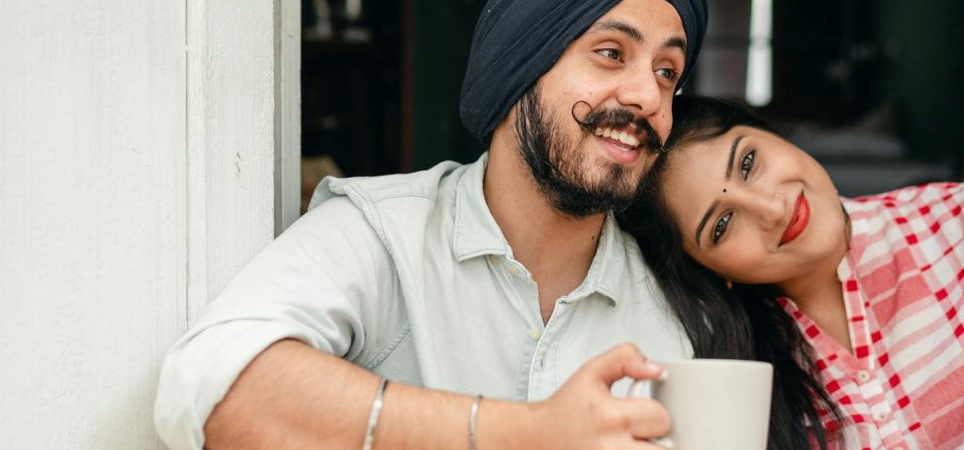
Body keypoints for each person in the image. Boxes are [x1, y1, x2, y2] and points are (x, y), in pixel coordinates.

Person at [153, 1, 707, 449]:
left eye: (667, 73)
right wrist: (527, 433)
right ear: (519, 68)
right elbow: (208, 386)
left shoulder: (672, 313)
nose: (648, 97)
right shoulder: (379, 232)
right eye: (611, 53)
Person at [616, 96, 964, 450]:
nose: (771, 209)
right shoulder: (725, 363)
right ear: (715, 272)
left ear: (774, 134)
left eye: (748, 162)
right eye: (722, 225)